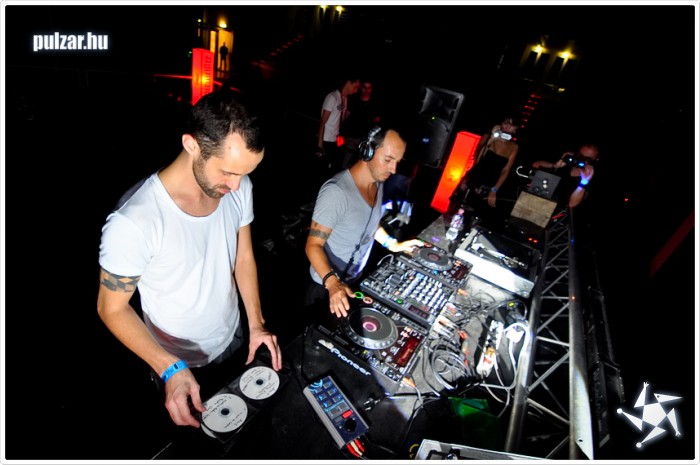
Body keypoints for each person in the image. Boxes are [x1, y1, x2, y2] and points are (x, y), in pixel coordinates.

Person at [97, 90, 282, 429]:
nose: (237, 185)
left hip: (233, 338)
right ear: (191, 145)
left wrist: (256, 323)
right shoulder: (134, 222)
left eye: (245, 173)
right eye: (228, 172)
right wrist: (168, 367)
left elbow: (243, 258)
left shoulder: (239, 187)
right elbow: (111, 308)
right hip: (176, 361)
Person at [304, 126, 424, 318]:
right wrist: (332, 283)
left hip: (352, 281)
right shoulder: (336, 192)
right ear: (367, 151)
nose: (393, 169)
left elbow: (370, 224)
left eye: (397, 162)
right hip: (325, 287)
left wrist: (393, 244)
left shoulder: (378, 183)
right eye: (388, 160)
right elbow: (313, 245)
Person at [451, 117, 520, 210]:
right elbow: (477, 159)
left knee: (475, 212)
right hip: (473, 179)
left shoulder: (514, 147)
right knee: (456, 208)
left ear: (516, 129)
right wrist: (491, 139)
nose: (508, 126)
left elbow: (506, 170)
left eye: (512, 125)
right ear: (501, 124)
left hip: (489, 186)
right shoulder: (488, 137)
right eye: (506, 123)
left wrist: (494, 189)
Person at [315, 75, 361, 175]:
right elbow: (323, 121)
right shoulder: (333, 97)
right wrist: (320, 145)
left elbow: (340, 121)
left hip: (334, 140)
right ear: (348, 83)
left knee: (330, 168)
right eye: (355, 87)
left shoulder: (344, 99)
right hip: (325, 139)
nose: (356, 90)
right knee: (320, 169)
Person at [532, 142, 599, 208]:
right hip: (537, 204)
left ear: (595, 161)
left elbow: (572, 204)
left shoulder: (590, 179)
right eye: (580, 155)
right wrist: (554, 165)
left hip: (558, 212)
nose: (581, 160)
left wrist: (584, 182)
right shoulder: (565, 164)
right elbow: (536, 164)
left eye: (587, 159)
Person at [340, 78, 383, 170]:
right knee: (344, 165)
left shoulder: (375, 103)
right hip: (351, 139)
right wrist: (343, 134)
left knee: (359, 168)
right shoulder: (354, 100)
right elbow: (346, 117)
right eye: (364, 87)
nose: (367, 90)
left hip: (365, 141)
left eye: (369, 88)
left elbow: (377, 124)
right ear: (360, 88)